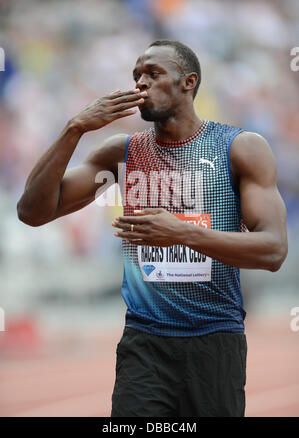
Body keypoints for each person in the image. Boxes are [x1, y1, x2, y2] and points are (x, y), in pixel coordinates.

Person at [17, 39, 288, 417]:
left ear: (187, 82)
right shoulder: (122, 152)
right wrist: (74, 128)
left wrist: (181, 233)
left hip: (214, 339)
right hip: (143, 343)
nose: (140, 83)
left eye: (153, 74)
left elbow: (273, 251)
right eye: (136, 76)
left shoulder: (239, 148)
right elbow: (32, 211)